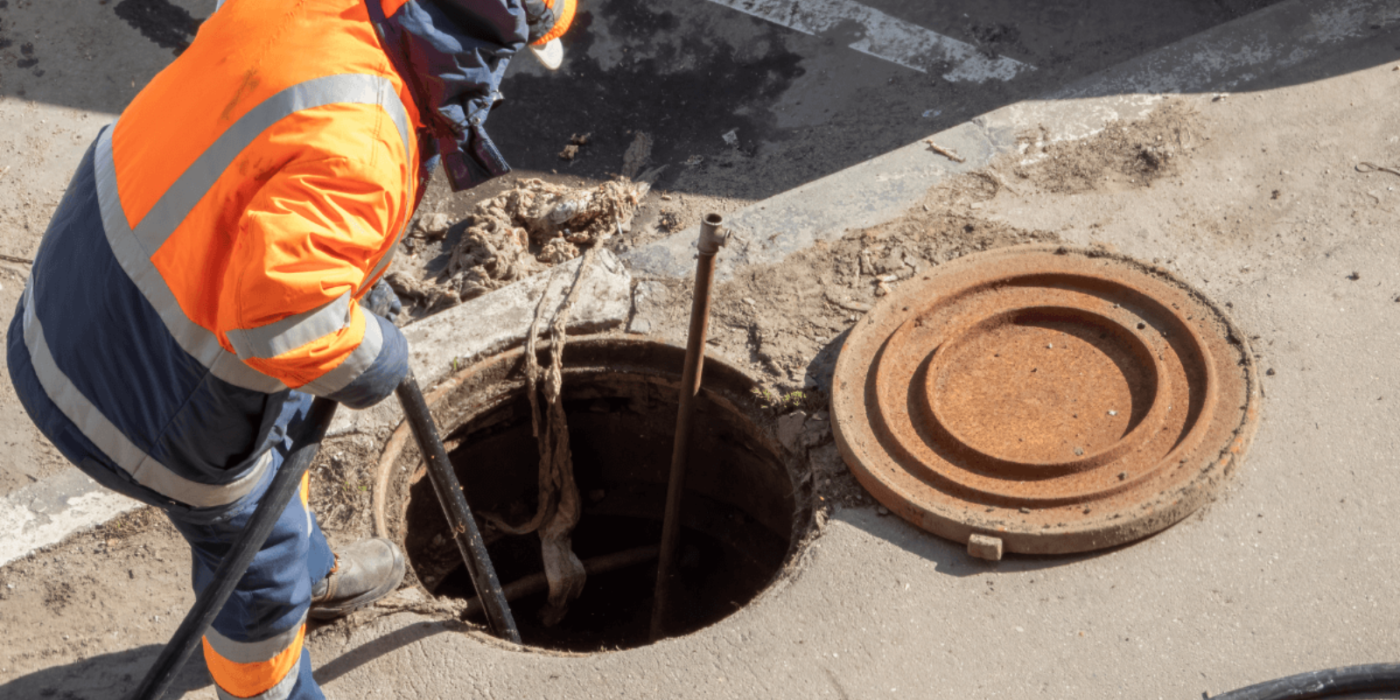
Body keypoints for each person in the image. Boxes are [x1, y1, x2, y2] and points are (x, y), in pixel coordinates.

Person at [5, 0, 574, 697]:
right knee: (255, 568)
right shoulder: (366, 139)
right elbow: (280, 326)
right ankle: (272, 675)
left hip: (77, 291)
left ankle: (315, 577)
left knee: (287, 423)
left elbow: (266, 172)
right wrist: (378, 356)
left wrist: (344, 280)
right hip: (143, 396)